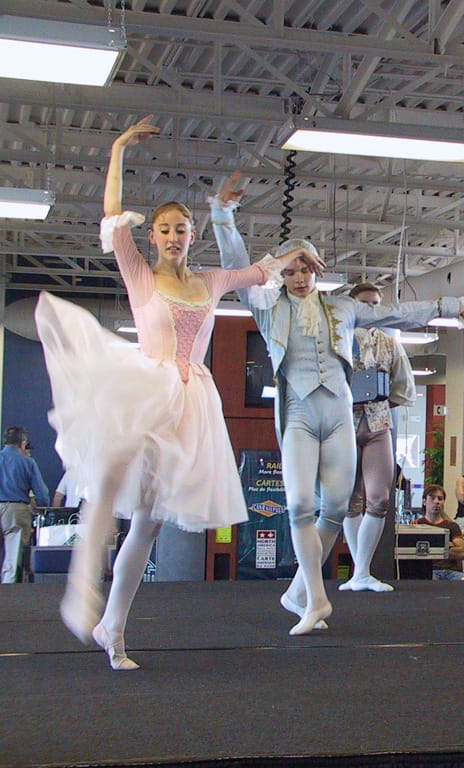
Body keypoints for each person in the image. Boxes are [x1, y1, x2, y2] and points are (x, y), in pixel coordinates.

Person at [33, 116, 313, 668]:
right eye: (164, 229)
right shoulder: (140, 274)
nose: (172, 237)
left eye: (181, 229)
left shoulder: (209, 282)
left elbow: (262, 270)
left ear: (191, 236)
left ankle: (112, 627)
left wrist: (299, 248)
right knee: (110, 484)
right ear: (153, 236)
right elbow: (112, 216)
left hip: (190, 403)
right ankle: (82, 588)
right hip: (143, 389)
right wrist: (118, 148)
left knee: (148, 522)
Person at [212, 174, 464, 634]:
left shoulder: (343, 308)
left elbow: (397, 312)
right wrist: (223, 214)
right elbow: (237, 268)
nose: (299, 278)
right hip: (299, 413)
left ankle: (299, 591)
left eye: (305, 269)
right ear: (282, 273)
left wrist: (451, 305)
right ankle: (317, 599)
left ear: (318, 271)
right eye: (291, 271)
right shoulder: (267, 307)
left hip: (339, 415)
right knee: (300, 503)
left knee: (335, 510)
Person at [341, 282, 417, 593]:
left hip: (377, 424)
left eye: (375, 304)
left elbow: (404, 387)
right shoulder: (338, 339)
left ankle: (362, 571)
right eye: (364, 303)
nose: (370, 309)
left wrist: (380, 402)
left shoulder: (388, 343)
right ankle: (359, 571)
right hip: (343, 424)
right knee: (350, 499)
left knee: (380, 497)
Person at [0, 426, 50, 584]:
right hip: (16, 510)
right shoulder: (27, 462)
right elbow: (41, 493)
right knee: (12, 556)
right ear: (22, 443)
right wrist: (44, 506)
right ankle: (7, 591)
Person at [413, 484, 464, 580]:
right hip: (429, 571)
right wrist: (448, 545)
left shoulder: (452, 526)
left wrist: (431, 548)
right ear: (424, 501)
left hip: (452, 572)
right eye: (432, 498)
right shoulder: (416, 524)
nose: (437, 502)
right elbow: (414, 552)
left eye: (440, 499)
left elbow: (462, 552)